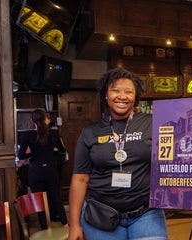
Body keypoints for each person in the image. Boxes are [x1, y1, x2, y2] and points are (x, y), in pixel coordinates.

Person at [68, 68, 169, 240]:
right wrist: (74, 225)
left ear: (135, 97)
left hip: (146, 212)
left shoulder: (153, 123)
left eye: (128, 91)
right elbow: (80, 178)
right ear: (105, 96)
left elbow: (176, 156)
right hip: (100, 214)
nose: (122, 96)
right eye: (115, 90)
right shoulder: (90, 132)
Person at [17, 108, 68, 228]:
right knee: (55, 197)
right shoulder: (54, 134)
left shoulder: (27, 135)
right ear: (46, 119)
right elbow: (62, 152)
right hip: (50, 170)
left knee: (39, 200)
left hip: (36, 171)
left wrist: (32, 153)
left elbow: (21, 155)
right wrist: (53, 151)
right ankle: (65, 223)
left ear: (32, 121)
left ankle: (45, 227)